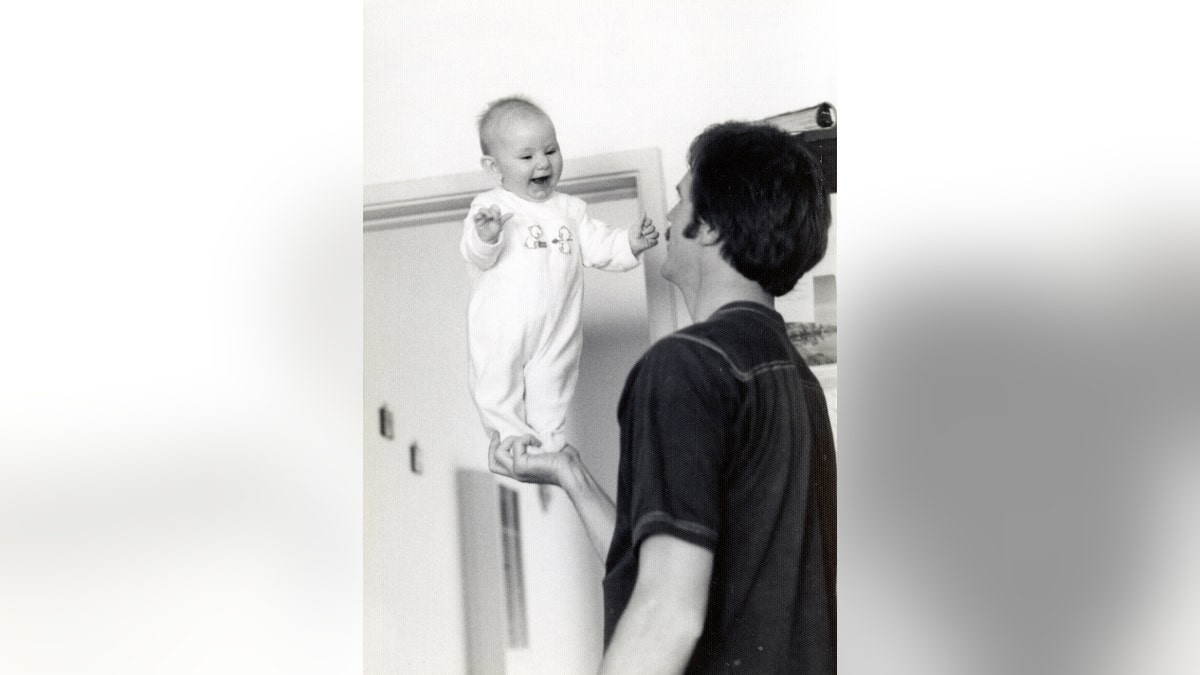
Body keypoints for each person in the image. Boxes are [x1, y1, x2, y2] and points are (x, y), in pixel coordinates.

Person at [489, 120, 836, 673]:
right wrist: (571, 474)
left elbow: (665, 615)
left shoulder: (687, 366)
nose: (670, 217)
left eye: (680, 199)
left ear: (711, 226)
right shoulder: (799, 381)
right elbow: (662, 576)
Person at [461, 96, 659, 455]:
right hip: (504, 324)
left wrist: (629, 242)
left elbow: (599, 247)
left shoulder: (571, 209)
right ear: (493, 168)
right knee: (497, 377)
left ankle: (547, 444)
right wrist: (486, 236)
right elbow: (476, 255)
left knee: (553, 384)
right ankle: (508, 435)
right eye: (527, 156)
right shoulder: (492, 207)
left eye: (550, 151)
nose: (543, 163)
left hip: (558, 328)